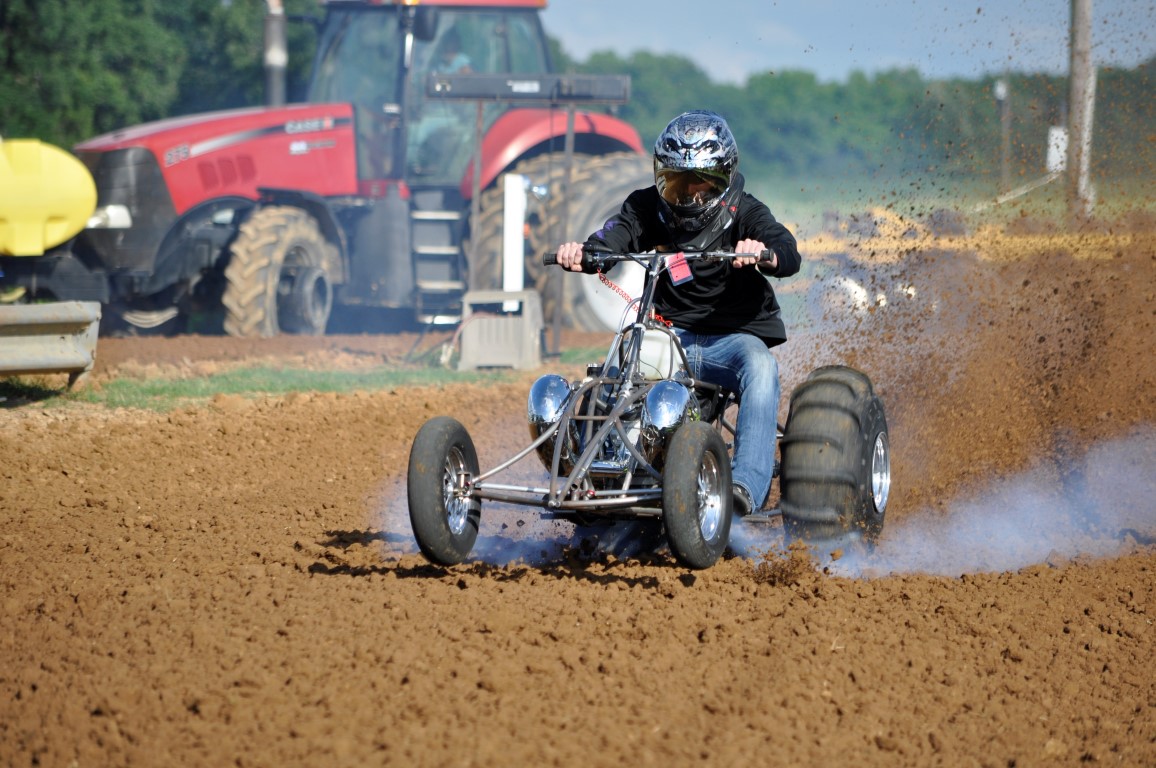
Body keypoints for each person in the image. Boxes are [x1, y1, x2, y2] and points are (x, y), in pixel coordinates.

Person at [553, 109, 801, 516]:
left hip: (733, 338)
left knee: (761, 366)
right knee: (622, 355)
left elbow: (786, 248)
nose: (689, 195)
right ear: (661, 176)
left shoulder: (748, 212)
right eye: (677, 182)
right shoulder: (646, 206)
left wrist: (763, 253)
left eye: (700, 182)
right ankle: (602, 473)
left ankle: (744, 488)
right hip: (670, 334)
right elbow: (615, 233)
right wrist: (587, 252)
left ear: (723, 178)